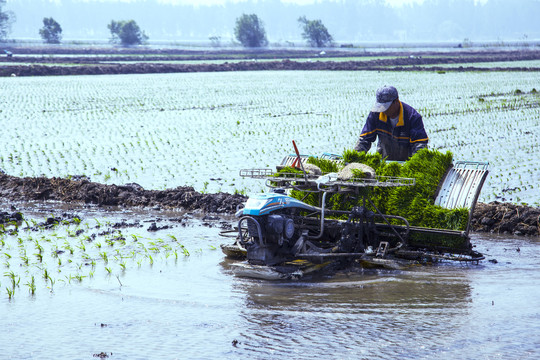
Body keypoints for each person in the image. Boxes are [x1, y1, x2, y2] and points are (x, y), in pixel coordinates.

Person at [354, 85, 428, 161]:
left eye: (386, 106)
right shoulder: (376, 114)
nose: (383, 110)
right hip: (384, 161)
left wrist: (416, 164)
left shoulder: (412, 117)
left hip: (407, 163)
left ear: (396, 101)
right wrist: (355, 158)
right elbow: (364, 140)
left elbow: (420, 145)